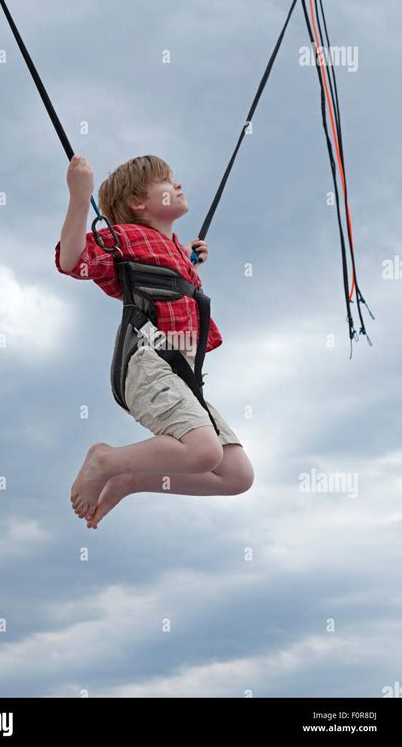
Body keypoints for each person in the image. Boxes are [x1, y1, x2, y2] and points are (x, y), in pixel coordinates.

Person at [56, 154, 254, 528]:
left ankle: (132, 479)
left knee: (236, 475)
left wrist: (192, 260)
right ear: (137, 203)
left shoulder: (175, 249)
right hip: (148, 362)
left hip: (181, 374)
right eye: (166, 181)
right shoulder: (123, 239)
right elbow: (72, 260)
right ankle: (105, 460)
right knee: (202, 452)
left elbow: (169, 276)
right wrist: (80, 197)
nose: (177, 184)